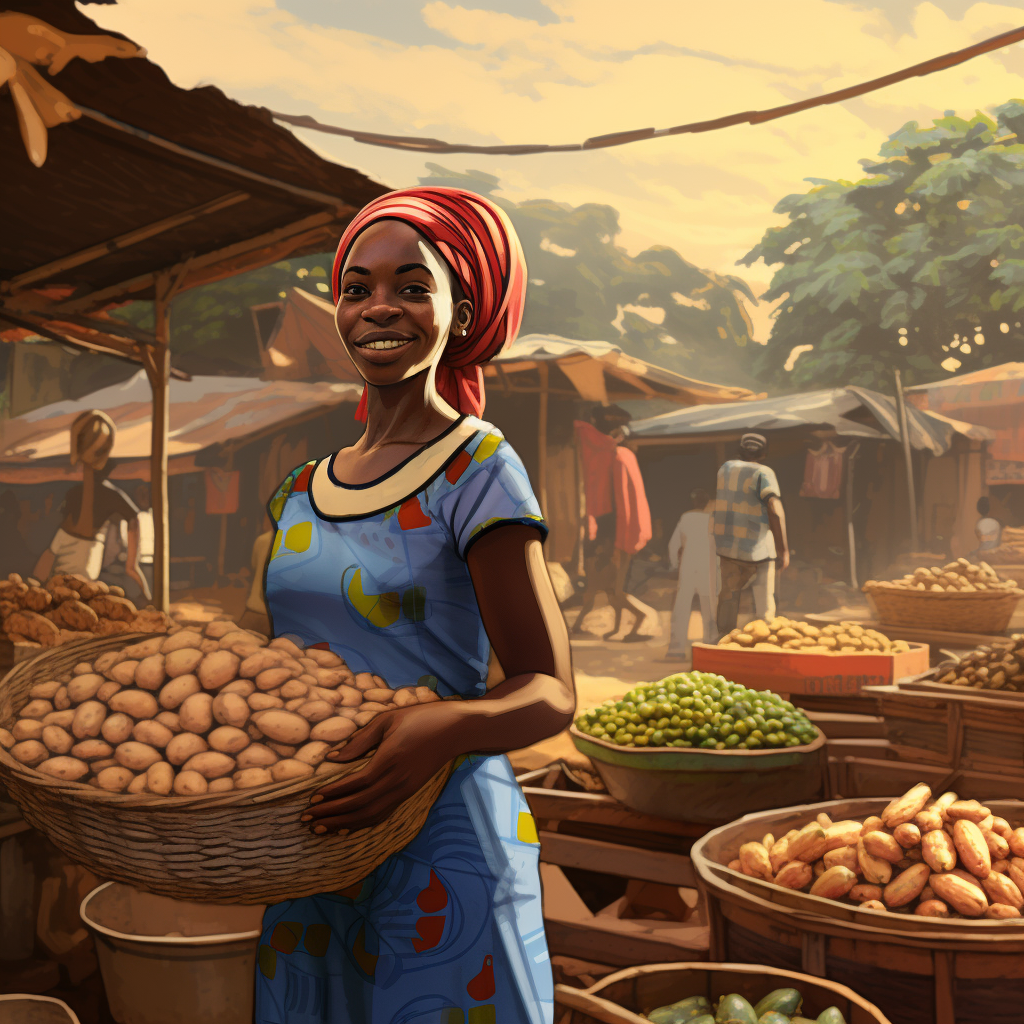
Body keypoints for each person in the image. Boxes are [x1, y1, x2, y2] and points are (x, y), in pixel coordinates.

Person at [257, 187, 574, 1024]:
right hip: (315, 845)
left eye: (411, 285)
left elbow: (548, 687)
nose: (378, 308)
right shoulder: (298, 491)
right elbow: (282, 677)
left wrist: (447, 726)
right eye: (356, 288)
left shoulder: (478, 469)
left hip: (445, 848)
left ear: (459, 309)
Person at [33, 411, 150, 600]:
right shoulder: (77, 490)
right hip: (71, 546)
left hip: (84, 551)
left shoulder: (107, 494)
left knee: (77, 596)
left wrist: (132, 565)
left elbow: (133, 517)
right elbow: (50, 554)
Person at [713, 432, 789, 636]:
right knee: (764, 606)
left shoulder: (725, 469)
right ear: (763, 453)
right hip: (759, 549)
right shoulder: (764, 472)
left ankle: (723, 644)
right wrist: (783, 550)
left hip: (728, 548)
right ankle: (764, 645)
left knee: (728, 598)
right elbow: (775, 510)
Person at [666, 489, 717, 662]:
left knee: (682, 607)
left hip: (688, 566)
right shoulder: (713, 519)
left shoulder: (686, 518)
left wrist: (674, 564)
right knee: (709, 609)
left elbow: (674, 544)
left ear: (694, 502)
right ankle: (710, 646)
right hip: (708, 567)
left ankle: (676, 648)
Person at [101, 483, 154, 604]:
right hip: (137, 565)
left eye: (146, 493)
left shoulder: (154, 516)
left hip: (149, 565)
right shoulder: (129, 520)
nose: (143, 496)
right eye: (140, 492)